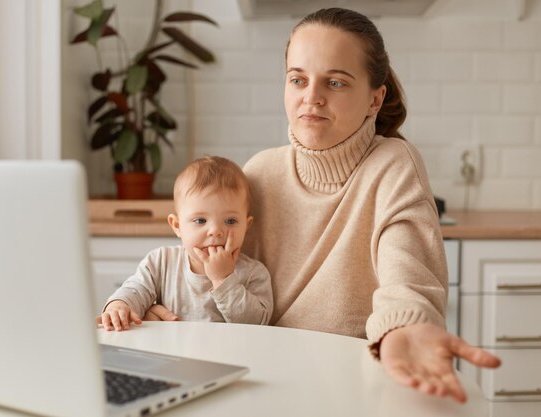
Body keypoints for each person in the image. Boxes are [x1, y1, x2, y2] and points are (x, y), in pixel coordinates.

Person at [143, 7, 502, 403]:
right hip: (259, 381)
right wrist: (167, 308)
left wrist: (404, 328)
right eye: (298, 79)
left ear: (374, 99)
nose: (311, 98)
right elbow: (219, 279)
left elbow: (407, 276)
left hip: (348, 384)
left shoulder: (395, 164)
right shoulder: (259, 173)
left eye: (335, 82)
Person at [97, 156, 273, 331]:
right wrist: (119, 305)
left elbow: (258, 325)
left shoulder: (254, 274)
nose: (216, 231)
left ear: (247, 226)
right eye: (200, 220)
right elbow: (136, 289)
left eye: (230, 221)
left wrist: (223, 280)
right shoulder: (161, 262)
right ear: (177, 226)